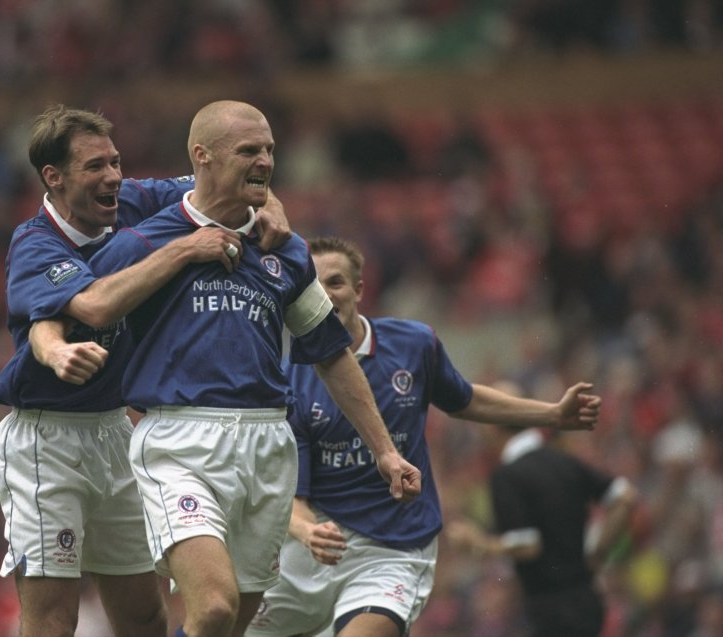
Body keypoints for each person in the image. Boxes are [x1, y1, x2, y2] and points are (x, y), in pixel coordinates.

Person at [84, 100, 422, 637]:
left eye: (269, 149)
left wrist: (384, 450)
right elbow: (84, 305)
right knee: (212, 606)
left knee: (232, 625)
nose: (265, 160)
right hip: (179, 441)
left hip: (267, 445)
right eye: (248, 150)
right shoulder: (145, 240)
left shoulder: (285, 252)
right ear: (203, 156)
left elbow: (332, 353)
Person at [0, 104, 290, 637]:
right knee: (54, 620)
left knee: (146, 617)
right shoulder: (35, 244)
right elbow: (79, 313)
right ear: (54, 179)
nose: (112, 177)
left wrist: (274, 207)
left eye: (115, 162)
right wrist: (58, 354)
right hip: (46, 438)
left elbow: (228, 178)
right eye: (94, 167)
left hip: (116, 433)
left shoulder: (130, 200)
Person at [245, 236, 604, 637]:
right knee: (218, 620)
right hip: (315, 546)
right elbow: (294, 498)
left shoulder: (412, 345)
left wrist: (552, 414)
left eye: (336, 283)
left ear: (359, 290)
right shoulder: (287, 380)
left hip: (392, 549)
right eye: (314, 286)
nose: (326, 296)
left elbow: (463, 399)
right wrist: (309, 532)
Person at [446, 380, 638, 637]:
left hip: (551, 610)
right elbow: (624, 497)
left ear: (492, 424)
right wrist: (596, 554)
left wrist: (478, 543)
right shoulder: (564, 461)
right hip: (587, 599)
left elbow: (527, 545)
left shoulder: (507, 476)